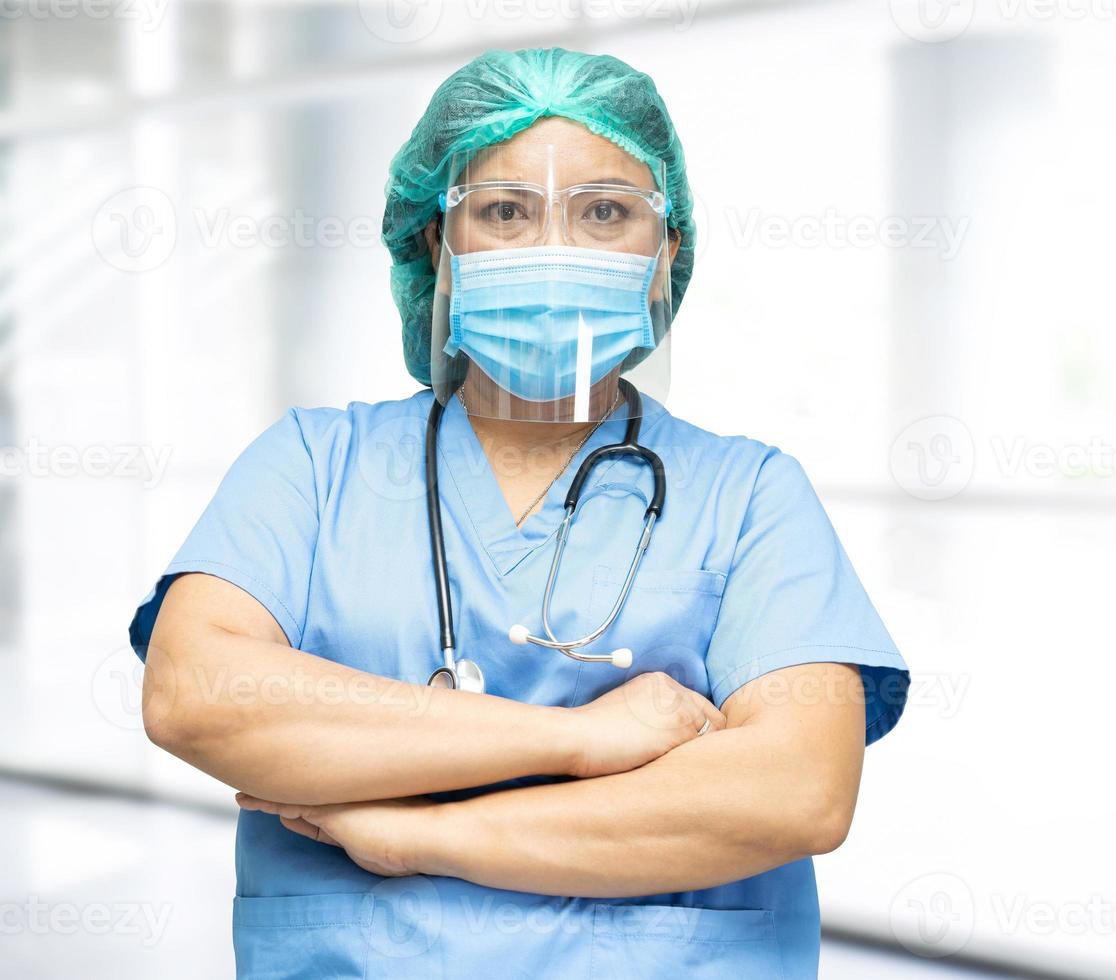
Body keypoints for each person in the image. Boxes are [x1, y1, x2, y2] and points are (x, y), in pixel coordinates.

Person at [128, 48, 907, 979]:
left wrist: (420, 835)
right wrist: (583, 741)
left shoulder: (751, 496)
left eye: (606, 212)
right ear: (435, 243)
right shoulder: (312, 464)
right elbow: (198, 698)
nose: (555, 250)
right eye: (504, 212)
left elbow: (794, 792)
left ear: (666, 257)